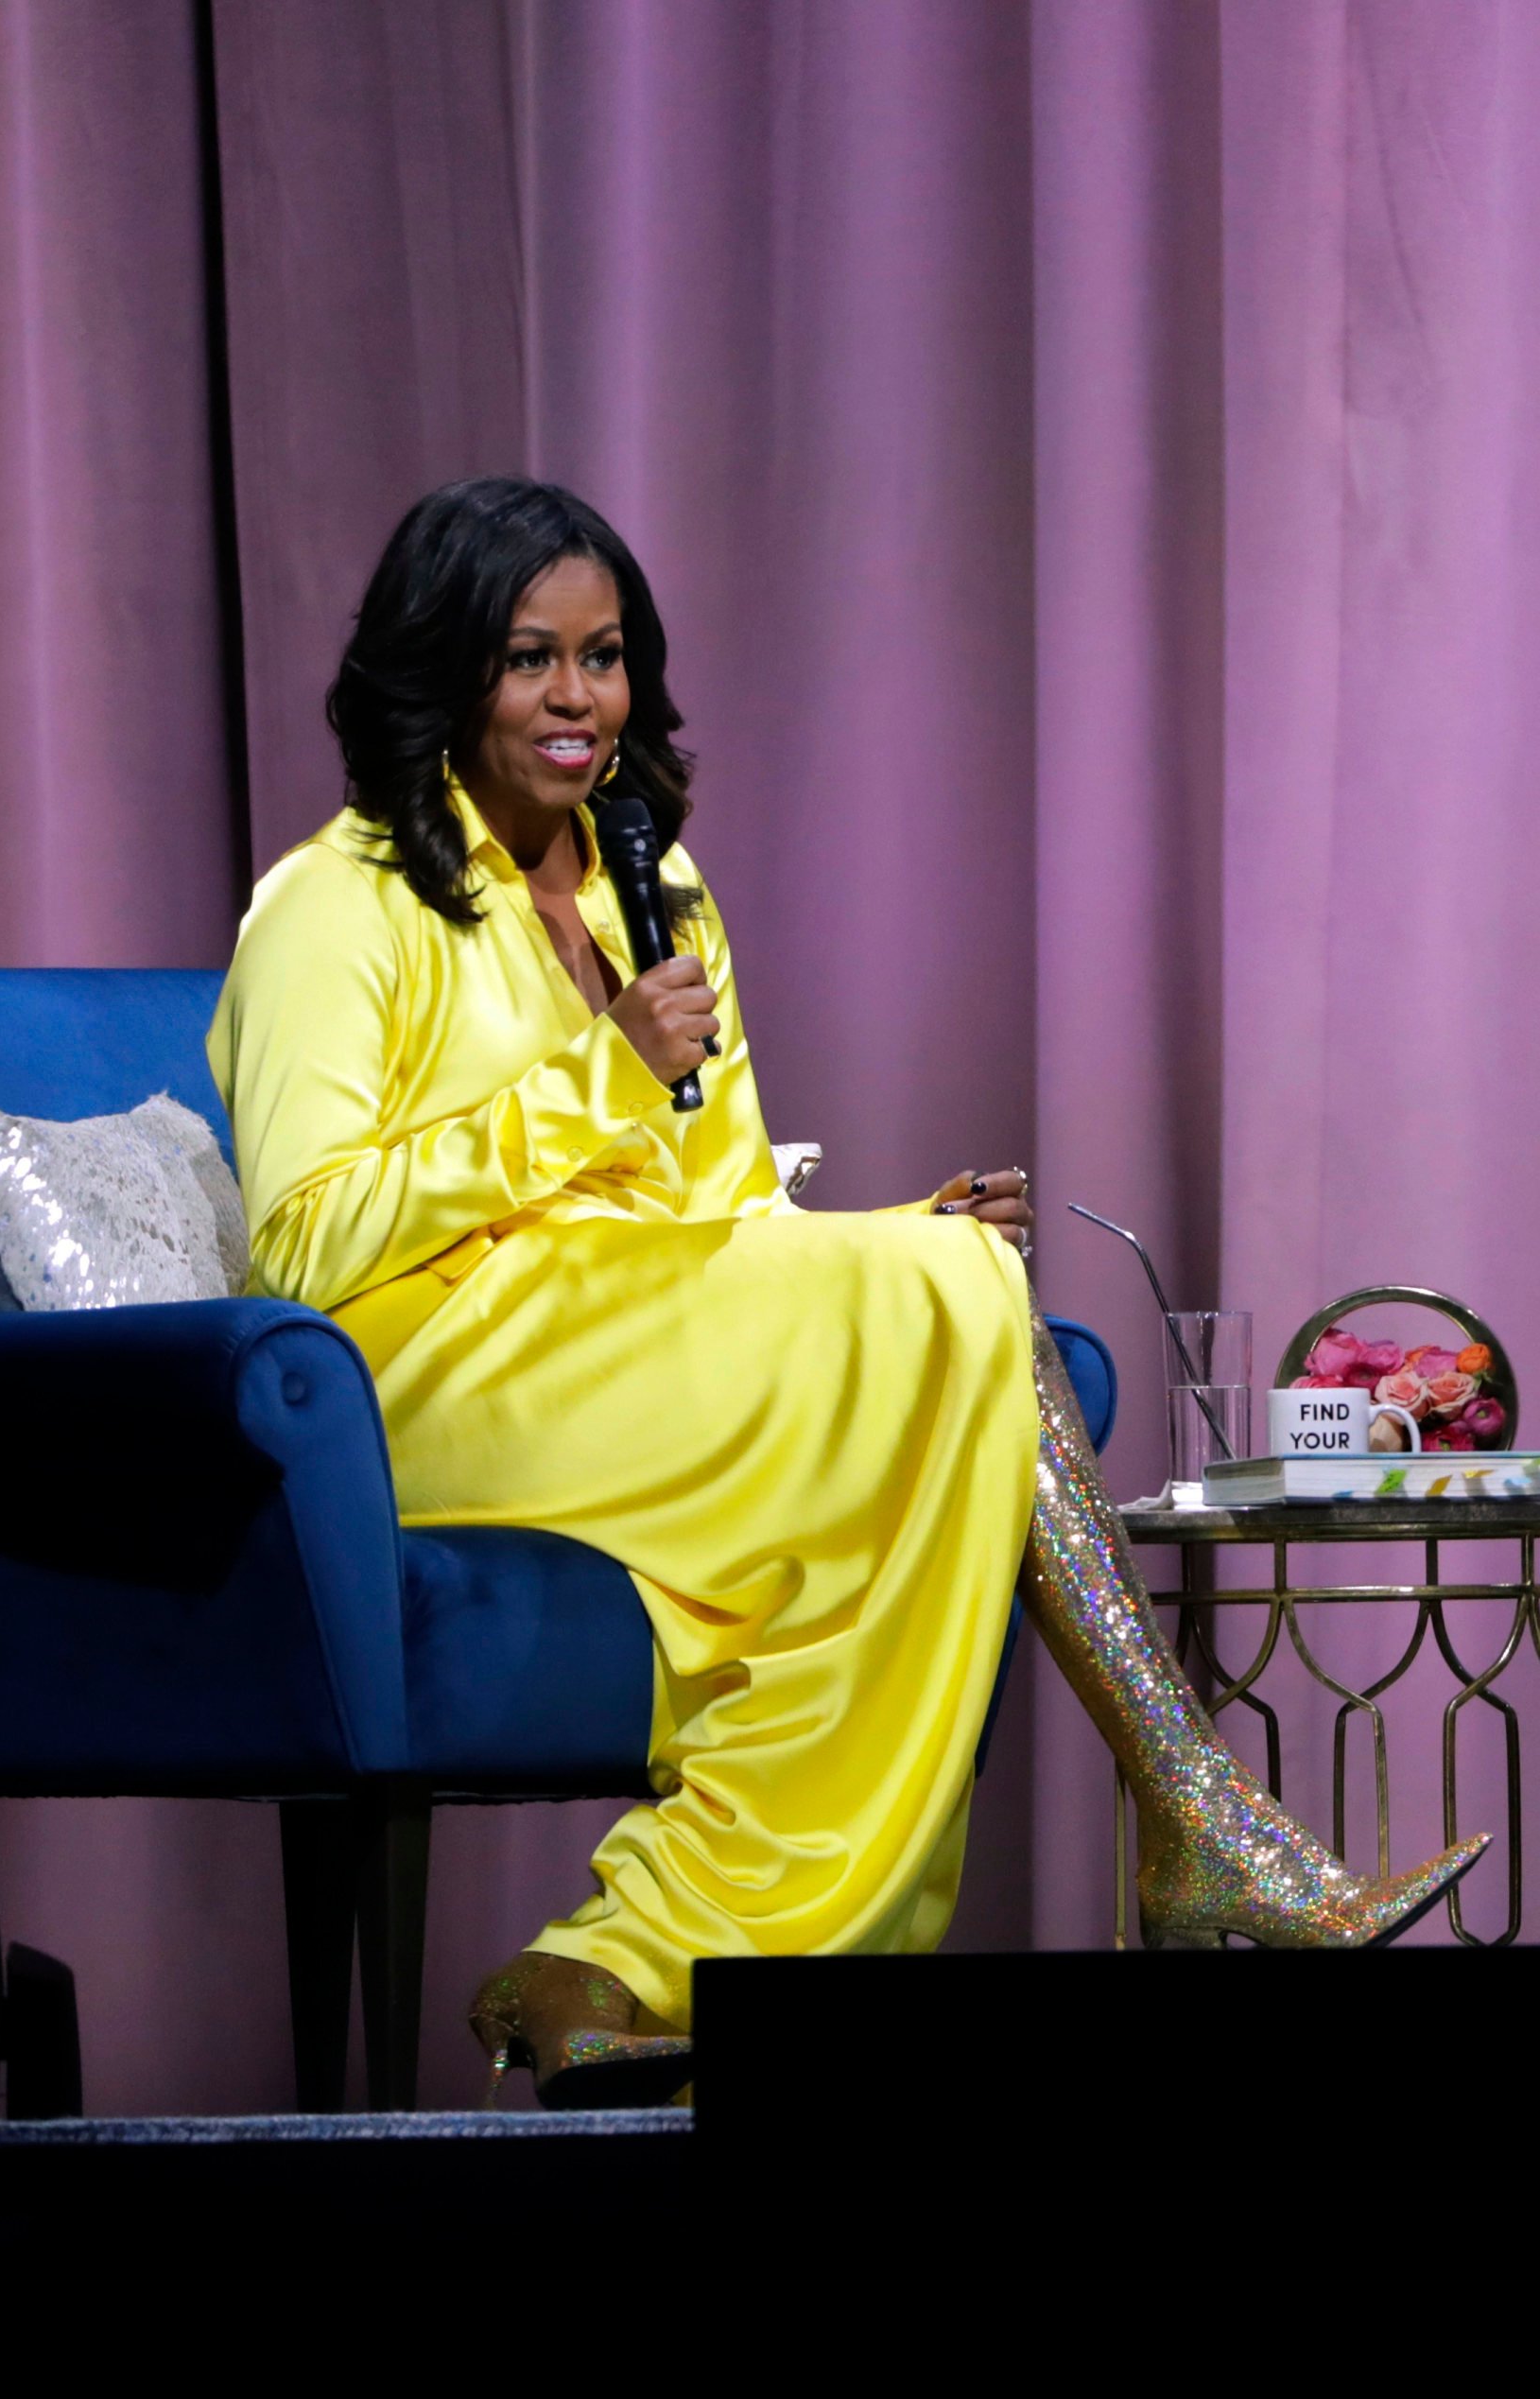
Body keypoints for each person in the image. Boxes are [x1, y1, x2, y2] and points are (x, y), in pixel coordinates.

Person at [207, 477, 1484, 2108]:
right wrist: (598, 1082)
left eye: (604, 657)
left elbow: (718, 1209)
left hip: (609, 1355)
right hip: (420, 1380)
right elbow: (305, 1243)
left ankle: (618, 1961)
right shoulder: (342, 897)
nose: (579, 698)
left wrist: (881, 1236)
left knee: (959, 1289)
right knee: (950, 1299)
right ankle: (1197, 1819)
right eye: (531, 658)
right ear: (442, 672)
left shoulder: (654, 899)